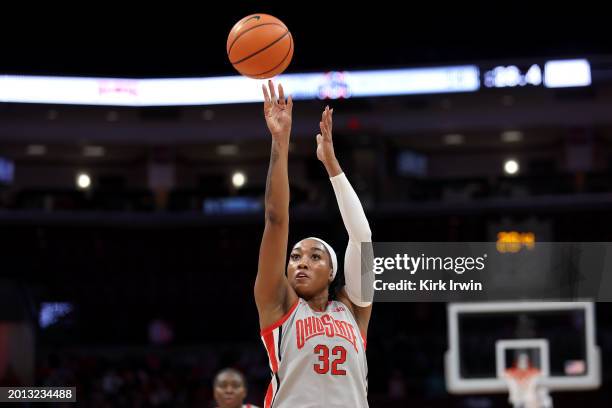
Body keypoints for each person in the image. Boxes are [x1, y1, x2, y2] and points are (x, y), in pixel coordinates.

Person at [255, 80, 373, 407]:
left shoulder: (354, 310)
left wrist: (331, 165)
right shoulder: (278, 305)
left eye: (315, 256)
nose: (301, 262)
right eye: (294, 257)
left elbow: (361, 237)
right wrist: (280, 141)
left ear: (333, 271)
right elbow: (276, 219)